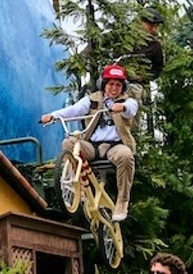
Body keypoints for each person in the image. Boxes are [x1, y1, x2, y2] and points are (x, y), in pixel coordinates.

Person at [40, 64, 139, 221]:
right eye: (111, 84)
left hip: (115, 146)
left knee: (126, 156)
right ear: (104, 84)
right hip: (93, 145)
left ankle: (122, 202)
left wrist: (122, 107)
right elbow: (73, 110)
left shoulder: (128, 101)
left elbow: (131, 109)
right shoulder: (92, 99)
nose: (114, 88)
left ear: (123, 87)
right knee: (69, 143)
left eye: (118, 85)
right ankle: (77, 187)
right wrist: (52, 116)